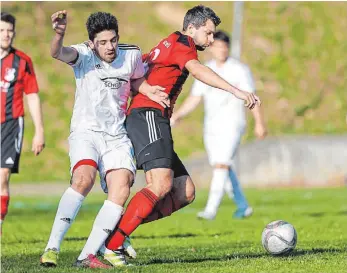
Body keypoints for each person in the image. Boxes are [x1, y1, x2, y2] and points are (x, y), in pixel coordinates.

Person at [100, 5, 261, 266]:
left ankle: (117, 229)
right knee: (161, 184)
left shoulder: (168, 44)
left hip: (152, 117)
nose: (210, 40)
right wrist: (236, 91)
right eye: (208, 34)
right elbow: (197, 70)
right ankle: (112, 245)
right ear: (191, 28)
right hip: (148, 116)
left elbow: (135, 78)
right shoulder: (181, 42)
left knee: (184, 191)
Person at [39, 10, 169, 269]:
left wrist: (148, 89)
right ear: (91, 43)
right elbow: (57, 53)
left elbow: (136, 78)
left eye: (113, 40)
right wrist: (59, 34)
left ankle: (86, 256)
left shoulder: (131, 53)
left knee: (122, 187)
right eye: (103, 42)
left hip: (116, 136)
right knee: (83, 179)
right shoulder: (83, 55)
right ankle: (52, 247)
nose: (110, 47)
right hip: (86, 132)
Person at [171, 30, 267, 220]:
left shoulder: (239, 69)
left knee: (221, 165)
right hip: (211, 127)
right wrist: (178, 115)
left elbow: (251, 97)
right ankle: (243, 205)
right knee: (222, 167)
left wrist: (259, 122)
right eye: (217, 46)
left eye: (225, 47)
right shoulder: (205, 69)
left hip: (233, 125)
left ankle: (210, 210)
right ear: (211, 47)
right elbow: (195, 98)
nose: (221, 50)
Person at [0, 12, 45, 234]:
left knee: (3, 176)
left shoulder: (22, 62)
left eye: (9, 30)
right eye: (1, 30)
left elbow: (33, 95)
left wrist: (39, 131)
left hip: (11, 124)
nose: (6, 35)